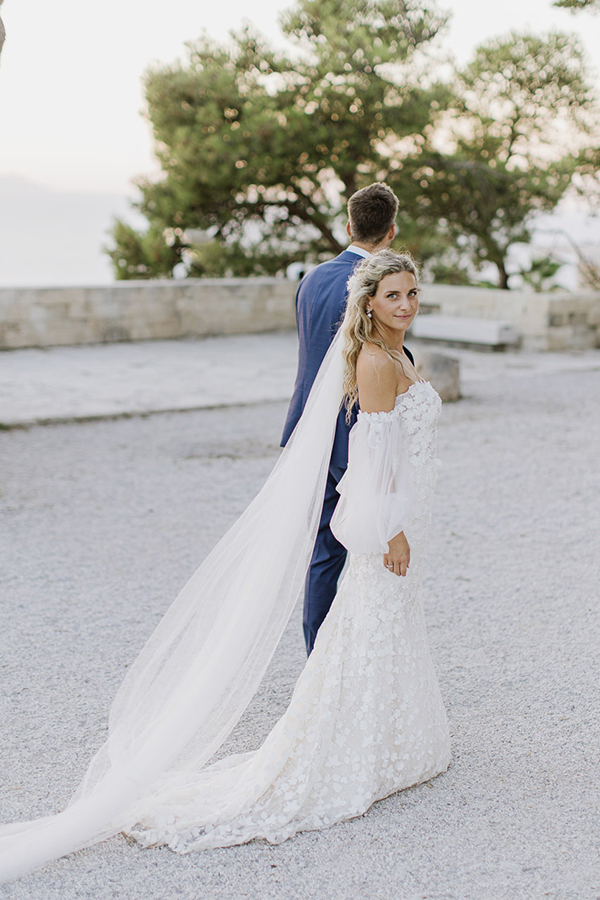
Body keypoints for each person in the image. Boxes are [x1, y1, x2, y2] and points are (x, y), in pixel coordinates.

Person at [0, 251, 450, 882]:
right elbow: (368, 465)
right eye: (394, 296)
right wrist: (393, 532)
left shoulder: (401, 353)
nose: (405, 304)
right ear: (369, 303)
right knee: (365, 625)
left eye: (412, 293)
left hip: (408, 516)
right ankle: (347, 746)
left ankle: (389, 737)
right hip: (389, 527)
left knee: (387, 622)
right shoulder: (375, 362)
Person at [281, 182, 415, 655]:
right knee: (375, 540)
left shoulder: (311, 279)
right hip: (357, 432)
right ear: (392, 229)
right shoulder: (376, 285)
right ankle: (360, 659)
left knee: (324, 551)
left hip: (307, 430)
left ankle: (318, 652)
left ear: (348, 225)